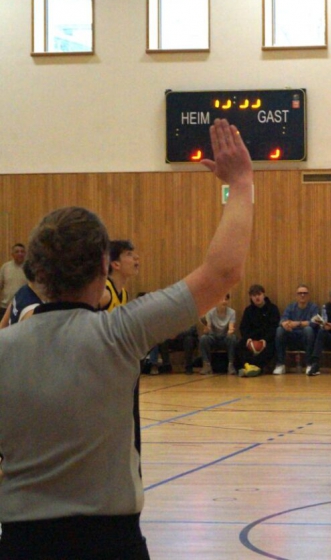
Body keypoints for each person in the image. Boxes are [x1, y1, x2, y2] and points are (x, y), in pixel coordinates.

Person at [0, 118, 253, 559]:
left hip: (23, 540)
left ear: (34, 272)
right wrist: (240, 184)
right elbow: (222, 273)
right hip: (111, 540)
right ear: (105, 266)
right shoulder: (121, 332)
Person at [273, 284, 319, 375]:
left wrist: (297, 323)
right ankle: (280, 364)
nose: (302, 295)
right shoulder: (290, 307)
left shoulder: (313, 307)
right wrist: (285, 324)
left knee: (308, 330)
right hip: (292, 336)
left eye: (305, 293)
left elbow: (315, 322)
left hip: (306, 337)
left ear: (308, 295)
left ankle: (309, 364)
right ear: (296, 295)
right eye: (300, 293)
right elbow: (283, 320)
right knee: (279, 330)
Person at [237, 284, 279, 376]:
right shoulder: (248, 310)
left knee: (273, 347)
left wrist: (265, 340)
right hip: (251, 339)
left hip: (267, 339)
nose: (257, 297)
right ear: (251, 297)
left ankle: (256, 367)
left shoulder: (272, 309)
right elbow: (243, 327)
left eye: (259, 294)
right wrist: (248, 340)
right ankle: (247, 366)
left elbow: (274, 327)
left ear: (263, 294)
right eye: (254, 295)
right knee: (240, 345)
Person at [198, 293, 239, 375]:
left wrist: (230, 331)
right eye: (221, 299)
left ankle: (231, 365)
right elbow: (207, 331)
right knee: (203, 338)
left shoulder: (232, 312)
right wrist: (206, 327)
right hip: (213, 337)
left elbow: (231, 328)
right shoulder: (210, 312)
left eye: (226, 299)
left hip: (225, 338)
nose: (224, 301)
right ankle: (206, 365)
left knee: (233, 338)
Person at [98, 240, 140, 311]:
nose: (136, 257)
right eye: (129, 254)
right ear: (116, 264)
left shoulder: (124, 295)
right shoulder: (105, 294)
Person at [0, 243, 28, 317]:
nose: (20, 254)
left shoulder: (29, 268)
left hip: (24, 307)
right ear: (12, 254)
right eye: (17, 251)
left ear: (25, 254)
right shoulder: (5, 267)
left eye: (22, 251)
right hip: (5, 307)